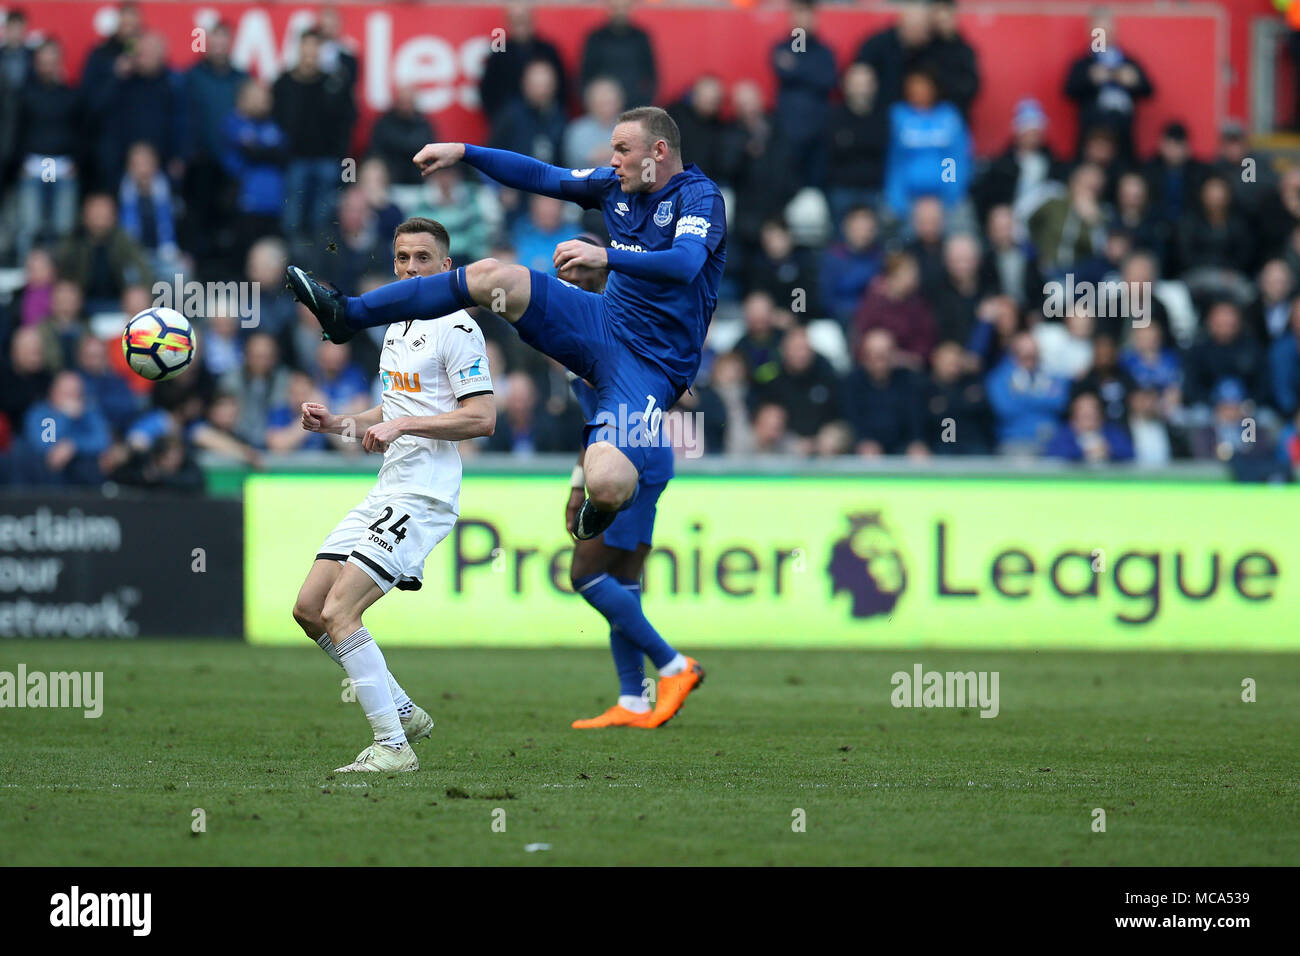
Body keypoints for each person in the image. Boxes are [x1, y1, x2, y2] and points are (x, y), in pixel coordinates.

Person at [288, 109, 716, 722]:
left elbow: (684, 266)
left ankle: (637, 623)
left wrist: (606, 259)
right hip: (601, 327)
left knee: (610, 481)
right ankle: (348, 311)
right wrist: (465, 151)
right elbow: (540, 176)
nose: (610, 159)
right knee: (494, 276)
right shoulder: (615, 187)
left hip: (648, 365)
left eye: (620, 149)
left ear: (657, 150)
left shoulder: (699, 197)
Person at [290, 216, 497, 773]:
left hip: (424, 495)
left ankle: (392, 747)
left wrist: (404, 429)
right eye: (403, 258)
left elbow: (481, 417)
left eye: (423, 259)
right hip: (389, 487)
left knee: (341, 610)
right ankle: (402, 709)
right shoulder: (397, 328)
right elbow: (392, 412)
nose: (410, 268)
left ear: (446, 268)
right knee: (309, 609)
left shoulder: (457, 328)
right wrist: (336, 424)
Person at [553, 248, 695, 727]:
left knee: (585, 576)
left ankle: (674, 665)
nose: (566, 275)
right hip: (643, 454)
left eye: (576, 265)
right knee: (625, 580)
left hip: (630, 460)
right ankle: (634, 699)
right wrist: (579, 481)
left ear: (601, 269)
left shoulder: (610, 325)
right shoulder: (587, 324)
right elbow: (597, 417)